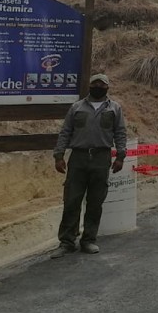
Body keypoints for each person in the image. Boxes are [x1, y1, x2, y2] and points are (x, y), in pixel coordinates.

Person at [50, 73, 127, 258]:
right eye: (95, 84)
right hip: (78, 158)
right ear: (89, 86)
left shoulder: (115, 108)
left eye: (102, 84)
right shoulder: (76, 107)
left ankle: (89, 240)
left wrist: (120, 157)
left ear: (107, 88)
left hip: (101, 158)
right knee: (71, 200)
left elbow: (120, 133)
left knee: (95, 201)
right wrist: (58, 155)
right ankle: (67, 242)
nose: (98, 87)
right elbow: (65, 132)